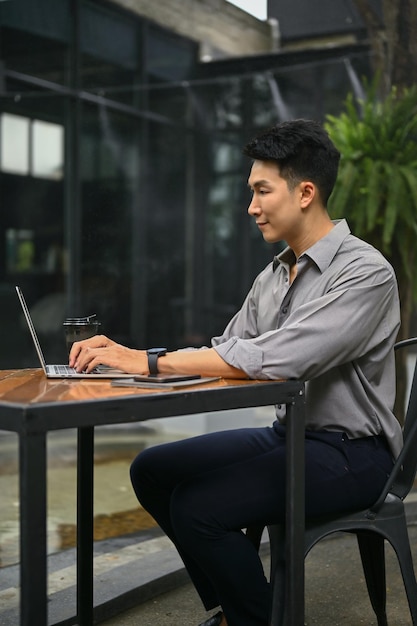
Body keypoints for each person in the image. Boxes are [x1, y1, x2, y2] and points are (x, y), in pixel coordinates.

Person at [69, 119, 402, 626]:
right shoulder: (273, 275)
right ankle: (244, 609)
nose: (251, 207)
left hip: (355, 453)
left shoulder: (365, 272)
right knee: (152, 469)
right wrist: (129, 368)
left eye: (261, 191)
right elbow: (229, 350)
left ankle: (254, 619)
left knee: (201, 509)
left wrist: (148, 359)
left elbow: (282, 357)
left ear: (305, 192)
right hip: (289, 435)